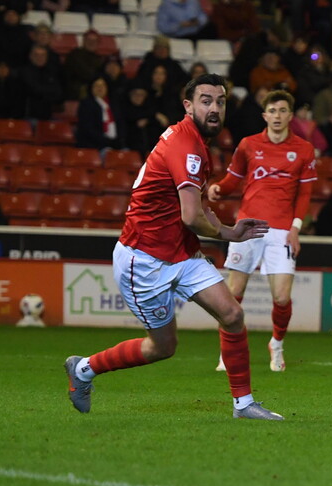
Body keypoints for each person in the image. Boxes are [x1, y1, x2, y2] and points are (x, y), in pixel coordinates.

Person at [63, 74, 284, 421]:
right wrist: (229, 234)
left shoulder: (196, 141)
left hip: (179, 252)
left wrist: (225, 228)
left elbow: (195, 208)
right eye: (206, 100)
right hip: (144, 258)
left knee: (232, 315)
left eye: (220, 101)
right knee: (162, 347)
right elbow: (192, 216)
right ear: (188, 106)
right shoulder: (186, 144)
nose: (214, 108)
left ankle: (243, 405)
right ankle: (84, 369)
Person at [208, 89, 317, 372]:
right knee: (233, 295)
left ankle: (276, 344)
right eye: (272, 111)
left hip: (282, 230)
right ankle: (227, 352)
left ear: (290, 116)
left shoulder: (304, 149)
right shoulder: (247, 144)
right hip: (247, 227)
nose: (277, 116)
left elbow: (305, 194)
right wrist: (219, 187)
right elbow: (234, 178)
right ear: (264, 115)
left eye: (283, 111)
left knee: (281, 297)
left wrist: (295, 229)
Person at [76, 77, 124, 151]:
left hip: (115, 145)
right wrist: (108, 142)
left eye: (103, 85)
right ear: (91, 88)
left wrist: (118, 141)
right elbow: (88, 129)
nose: (100, 88)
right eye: (96, 85)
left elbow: (121, 124)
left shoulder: (114, 104)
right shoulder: (86, 104)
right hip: (94, 146)